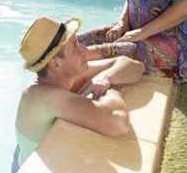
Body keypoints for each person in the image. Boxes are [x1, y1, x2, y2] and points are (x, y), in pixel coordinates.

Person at [12, 16, 144, 172]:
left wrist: (106, 78)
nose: (84, 49)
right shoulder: (43, 97)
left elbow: (134, 66)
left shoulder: (66, 78)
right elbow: (118, 122)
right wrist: (108, 89)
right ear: (55, 63)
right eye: (75, 45)